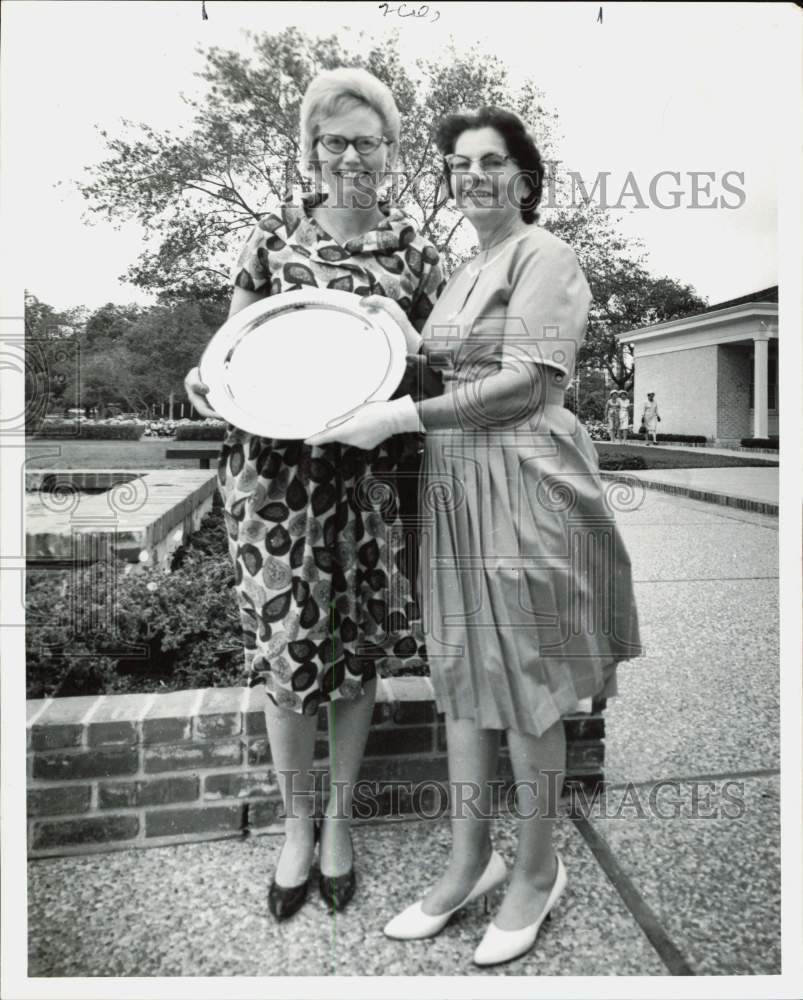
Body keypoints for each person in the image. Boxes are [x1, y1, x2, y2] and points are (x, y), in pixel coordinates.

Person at [309, 106, 642, 967]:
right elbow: (427, 367)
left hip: (525, 476)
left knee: (530, 681)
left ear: (524, 178)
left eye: (492, 162)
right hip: (454, 479)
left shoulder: (546, 255)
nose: (472, 176)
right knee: (460, 669)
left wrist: (401, 415)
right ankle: (469, 861)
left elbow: (528, 383)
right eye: (458, 164)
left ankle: (537, 871)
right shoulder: (464, 269)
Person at [184, 67, 444, 921]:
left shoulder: (418, 256)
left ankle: (339, 823)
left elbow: (443, 375)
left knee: (356, 657)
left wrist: (413, 347)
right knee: (288, 660)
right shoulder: (266, 241)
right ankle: (296, 827)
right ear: (310, 150)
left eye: (367, 142)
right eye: (333, 141)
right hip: (270, 483)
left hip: (368, 483)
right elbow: (232, 353)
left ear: (391, 153)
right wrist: (199, 380)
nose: (350, 157)